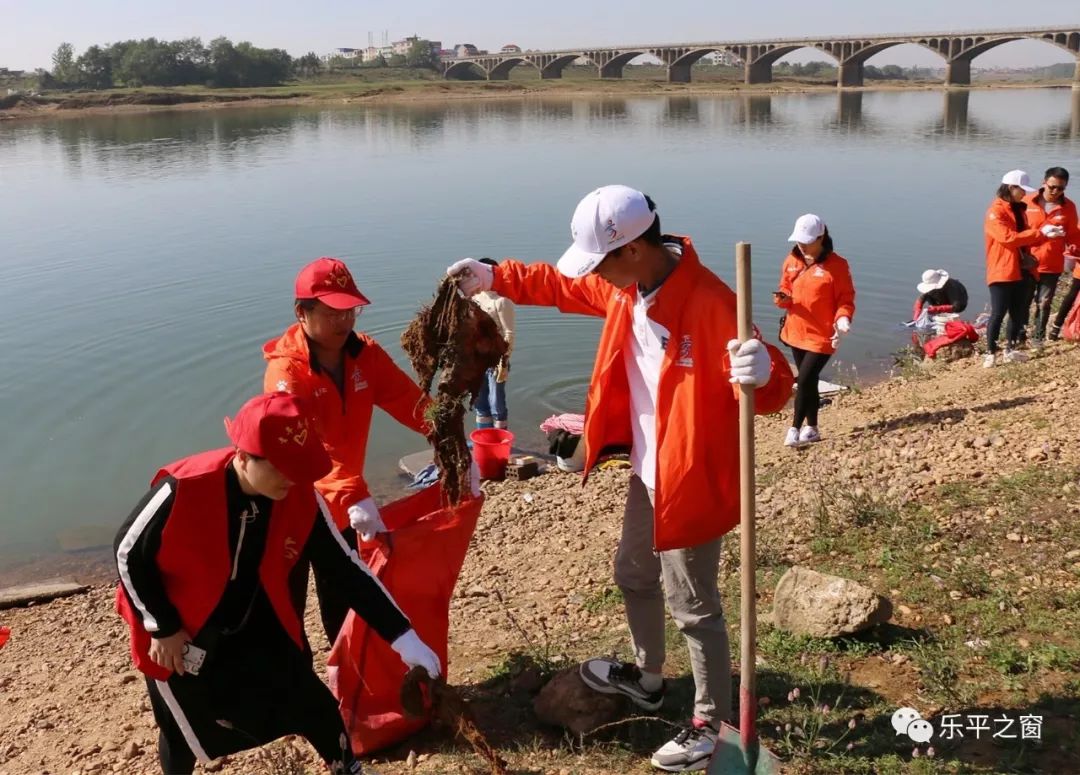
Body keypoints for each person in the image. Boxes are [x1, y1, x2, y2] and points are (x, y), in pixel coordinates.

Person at [447, 185, 793, 773]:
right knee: (632, 573)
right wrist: (494, 275)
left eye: (600, 262)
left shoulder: (710, 303)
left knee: (694, 604)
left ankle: (709, 722)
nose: (594, 276)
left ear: (632, 250)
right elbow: (558, 286)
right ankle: (649, 677)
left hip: (689, 475)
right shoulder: (624, 289)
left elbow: (767, 386)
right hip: (645, 467)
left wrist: (766, 370)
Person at [114, 392, 440, 775]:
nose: (292, 477)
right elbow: (127, 552)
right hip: (180, 627)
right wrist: (162, 626)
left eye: (300, 466)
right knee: (180, 728)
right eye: (282, 467)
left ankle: (347, 768)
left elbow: (345, 569)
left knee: (309, 701)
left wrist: (404, 638)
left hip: (256, 617)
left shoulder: (300, 495)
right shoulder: (185, 487)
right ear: (243, 457)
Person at [263, 257, 432, 642]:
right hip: (287, 506)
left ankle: (345, 686)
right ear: (301, 313)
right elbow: (302, 445)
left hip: (340, 506)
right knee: (287, 612)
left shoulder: (364, 356)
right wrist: (353, 492)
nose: (345, 321)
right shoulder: (286, 375)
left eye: (350, 310)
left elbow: (412, 403)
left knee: (341, 603)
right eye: (332, 311)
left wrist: (451, 440)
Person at [773, 214, 856, 448]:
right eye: (799, 240)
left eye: (807, 240)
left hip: (822, 336)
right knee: (810, 382)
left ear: (821, 237)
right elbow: (785, 288)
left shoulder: (837, 266)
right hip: (796, 331)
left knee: (805, 380)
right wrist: (782, 300)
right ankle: (813, 429)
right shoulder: (792, 260)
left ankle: (794, 428)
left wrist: (843, 319)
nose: (801, 244)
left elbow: (845, 299)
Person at [983, 171, 1061, 367]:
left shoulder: (1019, 209)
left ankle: (1010, 349)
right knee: (998, 312)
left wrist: (1045, 235)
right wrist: (1039, 232)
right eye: (1021, 191)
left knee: (1017, 312)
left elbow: (1025, 238)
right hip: (1002, 269)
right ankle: (990, 353)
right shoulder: (996, 211)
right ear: (1011, 188)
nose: (1024, 195)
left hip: (1021, 268)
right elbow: (1007, 238)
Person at [1026, 167, 1080, 343]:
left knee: (1044, 302)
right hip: (1027, 261)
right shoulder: (1027, 202)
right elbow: (1016, 231)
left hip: (1052, 263)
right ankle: (1017, 337)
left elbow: (1073, 236)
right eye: (1052, 187)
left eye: (1061, 188)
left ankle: (1038, 339)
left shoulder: (1069, 207)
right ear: (1044, 183)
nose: (1056, 191)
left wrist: (1074, 248)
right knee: (1022, 302)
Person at [472, 257, 515, 430]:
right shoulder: (475, 298)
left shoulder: (502, 301)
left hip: (496, 359)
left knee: (496, 402)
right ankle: (483, 439)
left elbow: (509, 334)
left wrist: (503, 362)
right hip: (477, 359)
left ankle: (499, 441)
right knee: (479, 401)